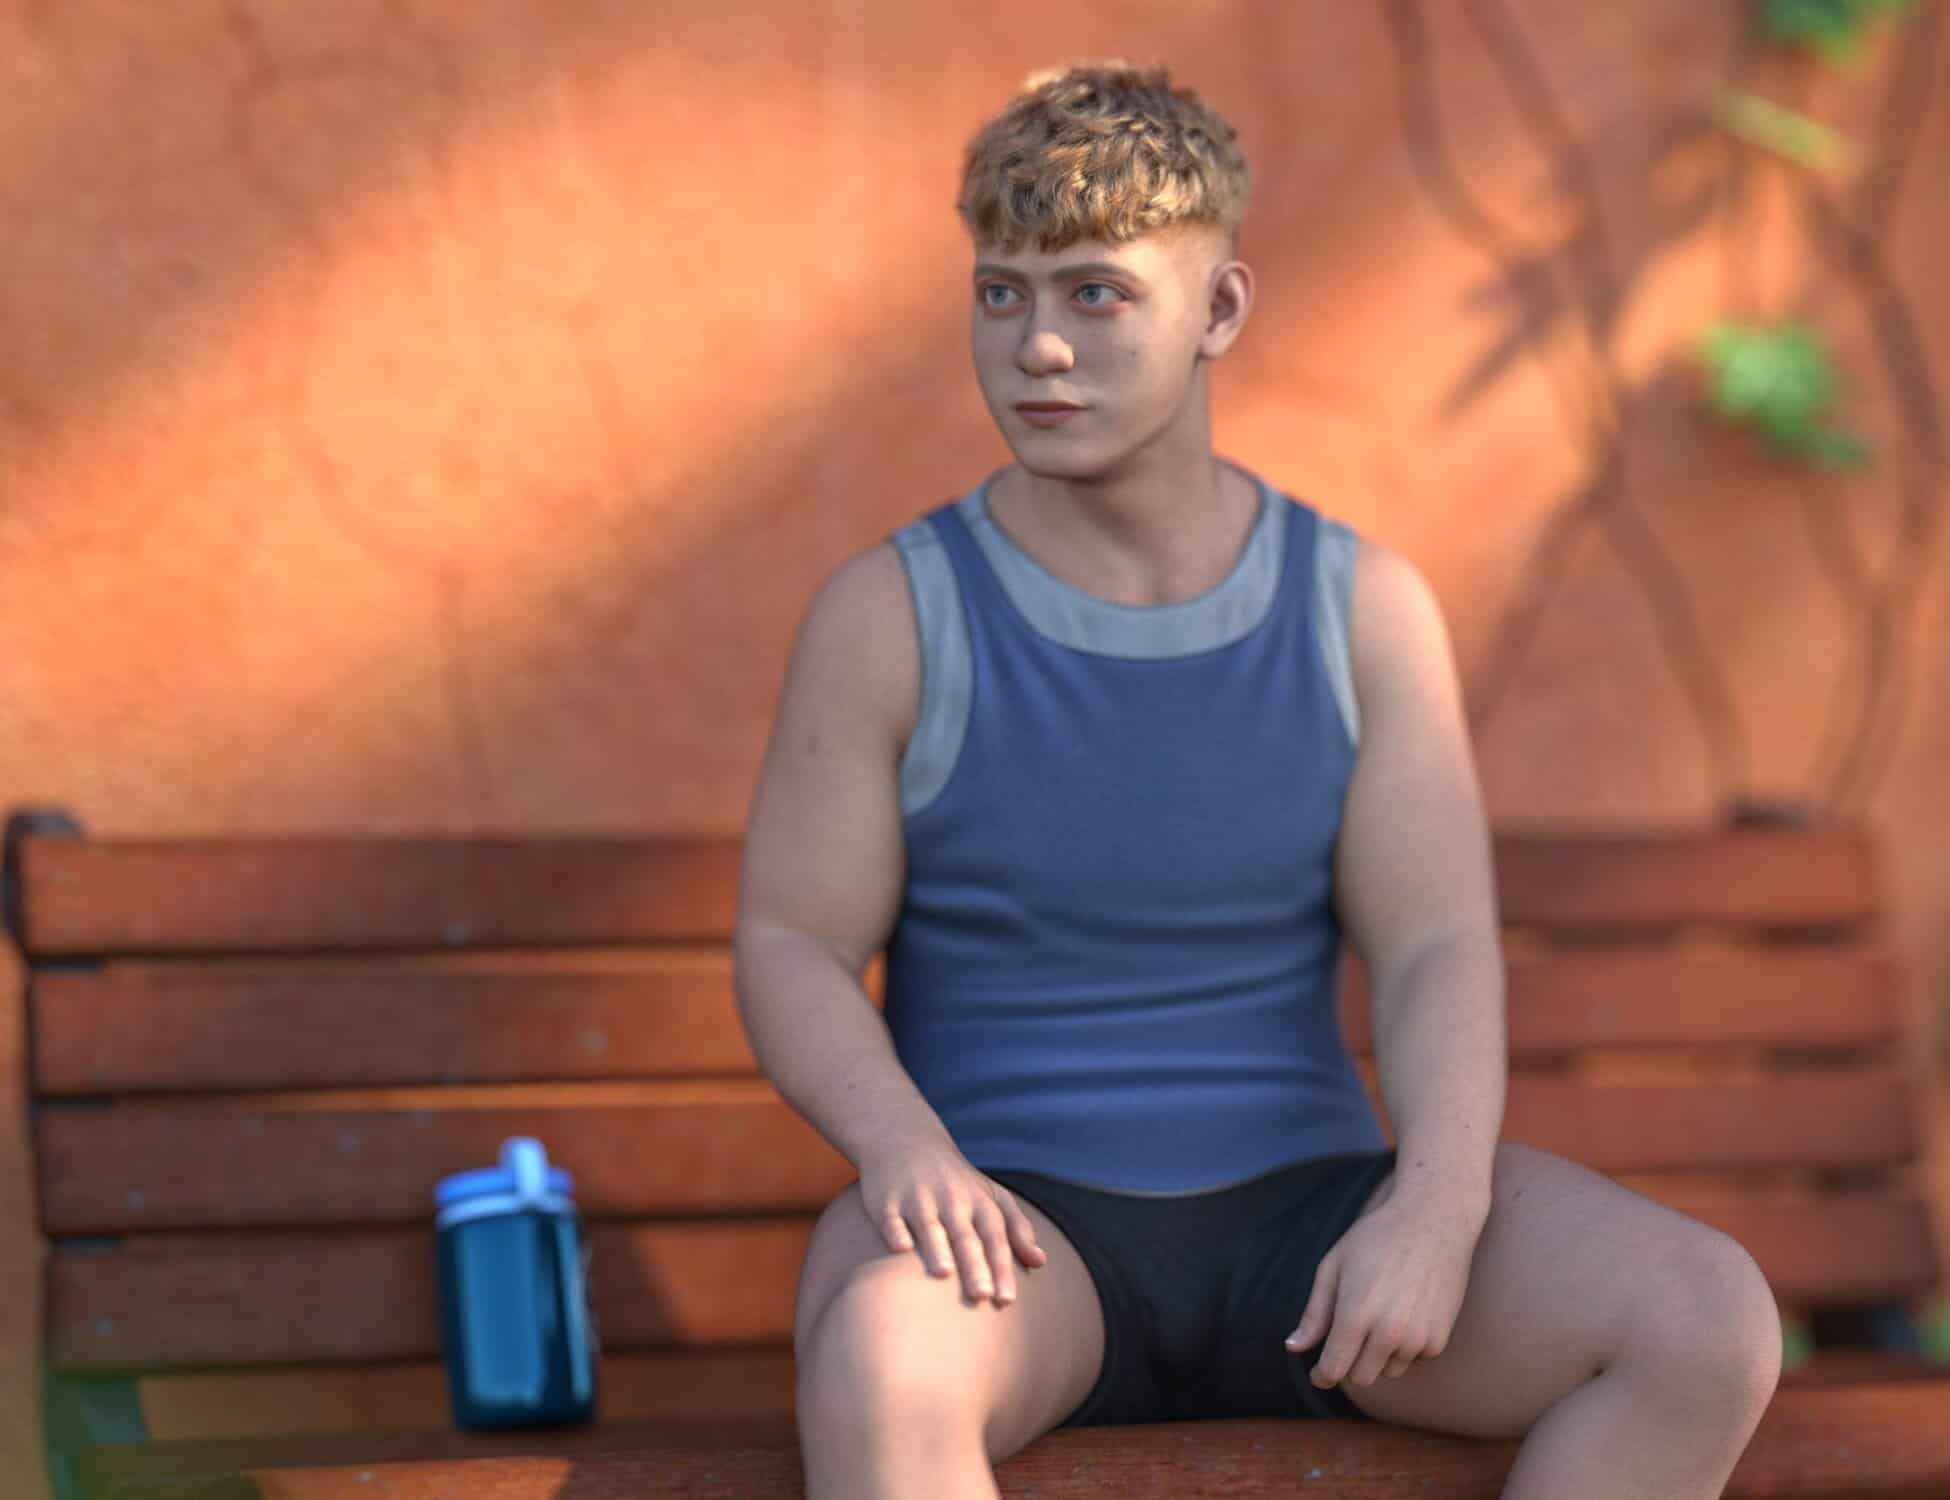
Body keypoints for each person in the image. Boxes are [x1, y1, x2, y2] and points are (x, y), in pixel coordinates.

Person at [733, 58, 1783, 1500]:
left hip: (1310, 1229)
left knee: (1702, 1318)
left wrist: (1436, 1201)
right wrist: (903, 1153)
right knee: (881, 1364)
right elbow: (794, 939)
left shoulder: (1358, 608)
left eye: (1095, 292)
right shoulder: (891, 614)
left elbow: (1432, 944)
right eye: (1002, 293)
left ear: (1217, 310)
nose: (1037, 345)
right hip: (1016, 1232)